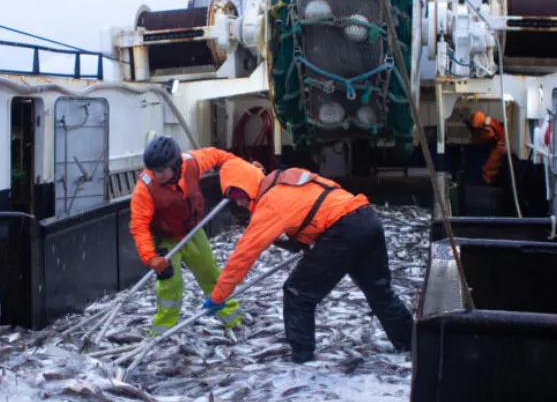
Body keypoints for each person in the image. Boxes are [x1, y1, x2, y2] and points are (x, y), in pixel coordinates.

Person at [202, 159, 413, 362]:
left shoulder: (271, 202)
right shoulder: (286, 178)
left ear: (249, 185)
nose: (238, 201)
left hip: (343, 231)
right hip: (366, 219)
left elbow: (244, 254)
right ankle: (413, 344)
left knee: (297, 292)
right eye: (232, 197)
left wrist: (219, 296)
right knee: (380, 291)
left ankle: (302, 359)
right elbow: (322, 202)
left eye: (238, 193)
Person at [129, 136, 243, 336]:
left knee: (211, 273)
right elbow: (139, 225)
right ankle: (162, 332)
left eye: (161, 169)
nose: (157, 174)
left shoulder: (192, 163)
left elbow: (219, 156)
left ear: (174, 164)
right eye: (153, 169)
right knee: (170, 284)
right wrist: (151, 258)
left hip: (192, 231)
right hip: (164, 237)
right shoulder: (144, 189)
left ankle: (233, 319)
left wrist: (243, 171)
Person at [467, 110, 506, 186]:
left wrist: (477, 137)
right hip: (497, 144)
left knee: (488, 168)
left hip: (500, 146)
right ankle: (490, 181)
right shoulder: (487, 120)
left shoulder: (487, 129)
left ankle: (488, 183)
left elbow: (488, 137)